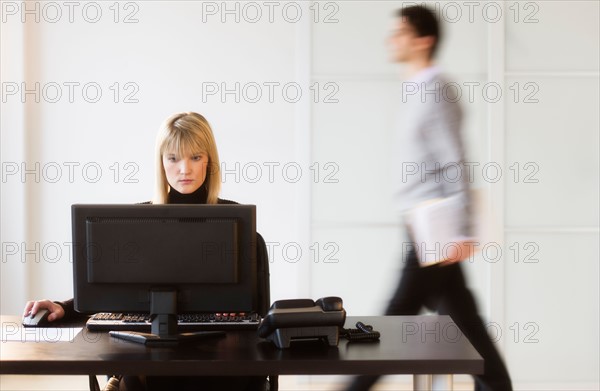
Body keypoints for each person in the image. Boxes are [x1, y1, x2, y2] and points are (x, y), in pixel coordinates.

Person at [23, 112, 268, 391]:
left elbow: (256, 316)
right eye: (173, 158)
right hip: (151, 358)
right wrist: (63, 308)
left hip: (220, 360)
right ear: (161, 163)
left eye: (196, 157)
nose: (184, 169)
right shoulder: (137, 221)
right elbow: (115, 295)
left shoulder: (235, 221)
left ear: (210, 161)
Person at [346, 6, 512, 391]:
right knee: (467, 326)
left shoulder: (437, 89)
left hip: (435, 230)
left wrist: (463, 230)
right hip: (422, 226)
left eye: (400, 32)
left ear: (424, 39)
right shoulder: (416, 87)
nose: (392, 39)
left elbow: (454, 160)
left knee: (395, 317)